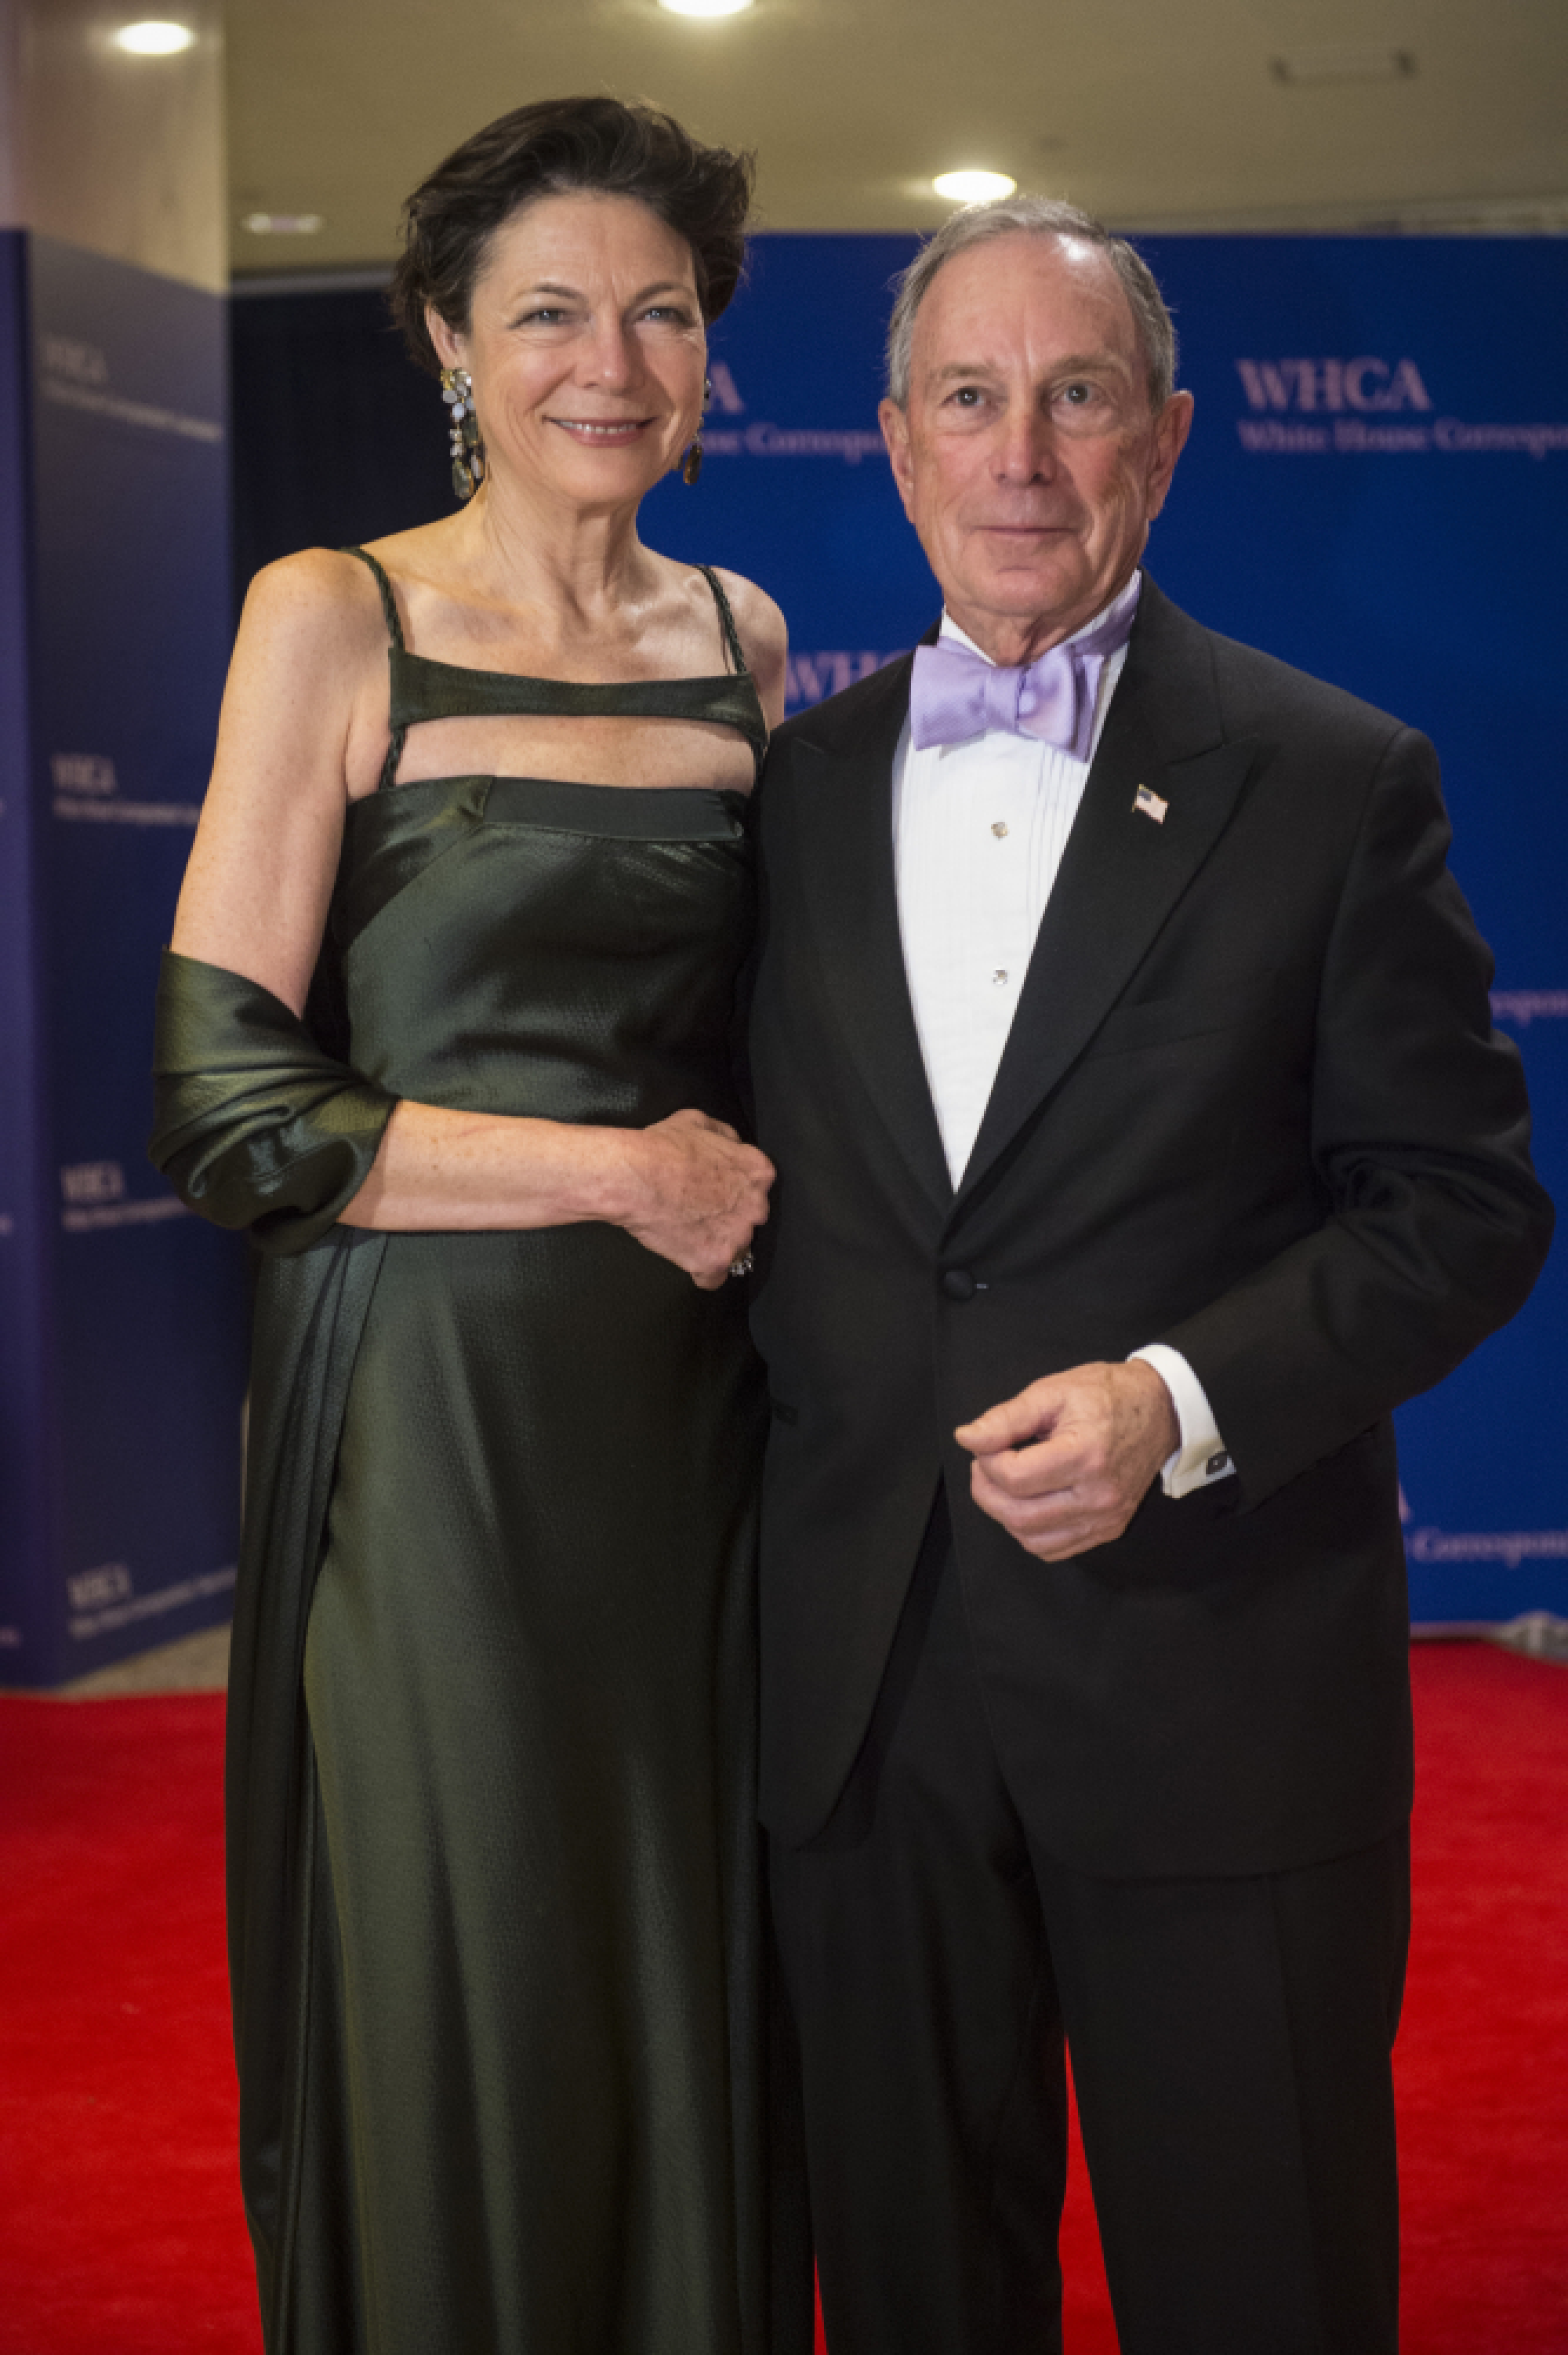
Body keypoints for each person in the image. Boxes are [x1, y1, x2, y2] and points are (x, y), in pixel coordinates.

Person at [746, 196, 1553, 2355]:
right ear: (896, 447)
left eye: (1077, 396)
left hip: (1218, 1685)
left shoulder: (1334, 779)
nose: (1024, 456)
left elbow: (1460, 1209)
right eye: (971, 401)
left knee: (1258, 2282)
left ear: (1167, 441)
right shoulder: (786, 798)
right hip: (864, 1706)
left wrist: (1172, 1407)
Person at [149, 96, 808, 2355]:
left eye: (660, 312)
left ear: (711, 351)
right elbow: (231, 1108)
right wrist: (624, 1170)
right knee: (474, 1956)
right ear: (449, 338)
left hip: (693, 1440)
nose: (607, 361)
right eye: (546, 313)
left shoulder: (748, 635)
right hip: (424, 1442)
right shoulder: (333, 617)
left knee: (674, 1964)